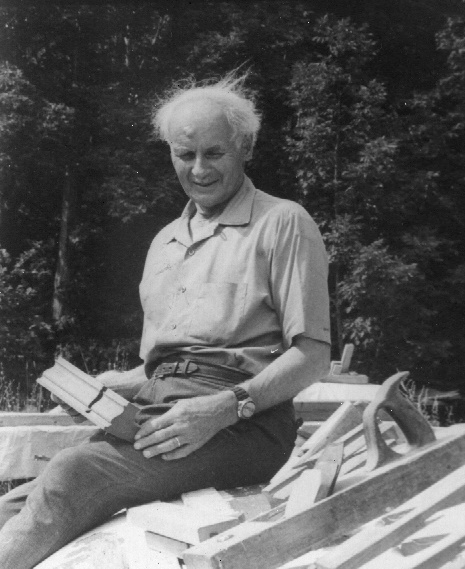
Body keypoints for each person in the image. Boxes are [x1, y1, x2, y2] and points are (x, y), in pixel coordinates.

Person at [0, 73, 331, 568]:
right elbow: (163, 369)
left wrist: (222, 409)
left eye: (214, 153)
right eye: (184, 154)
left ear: (244, 148)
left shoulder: (282, 221)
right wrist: (109, 386)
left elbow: (313, 356)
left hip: (245, 426)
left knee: (74, 473)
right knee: (16, 502)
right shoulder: (164, 243)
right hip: (159, 415)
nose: (198, 169)